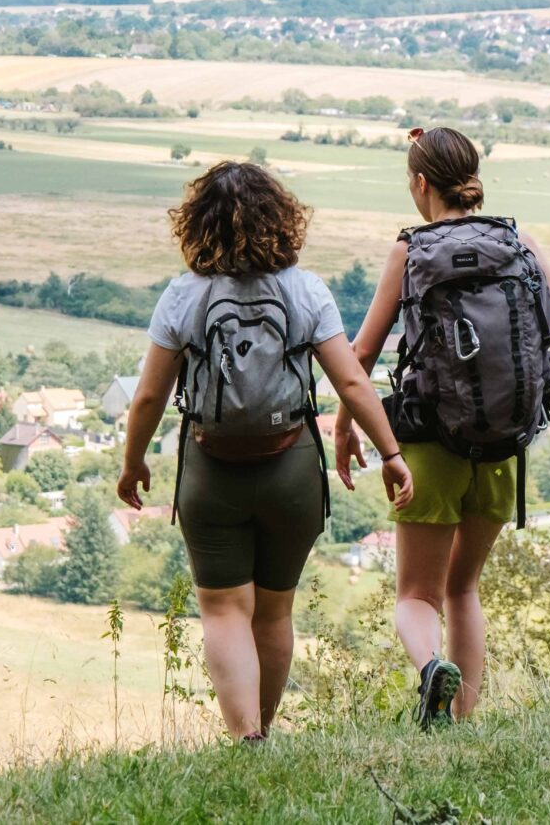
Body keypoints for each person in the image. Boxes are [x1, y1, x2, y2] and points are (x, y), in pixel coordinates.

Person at [117, 159, 413, 742]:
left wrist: (134, 462)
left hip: (210, 470)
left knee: (225, 610)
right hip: (292, 469)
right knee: (275, 612)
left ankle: (246, 739)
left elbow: (151, 394)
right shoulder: (304, 288)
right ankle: (266, 730)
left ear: (197, 224)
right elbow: (351, 381)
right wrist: (392, 453)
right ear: (281, 218)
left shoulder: (184, 296)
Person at [335, 127, 550, 725]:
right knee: (463, 589)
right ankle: (462, 724)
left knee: (416, 596)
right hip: (505, 443)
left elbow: (363, 354)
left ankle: (431, 670)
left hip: (430, 444)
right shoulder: (519, 242)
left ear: (422, 183)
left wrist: (346, 426)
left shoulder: (411, 250)